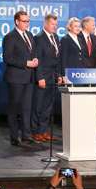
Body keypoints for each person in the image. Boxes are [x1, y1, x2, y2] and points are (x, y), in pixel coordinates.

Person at [2, 11, 38, 147]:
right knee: (14, 108)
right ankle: (14, 137)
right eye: (24, 21)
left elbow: (32, 51)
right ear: (17, 21)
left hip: (29, 77)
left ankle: (26, 135)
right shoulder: (10, 37)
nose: (27, 24)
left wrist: (34, 59)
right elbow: (7, 57)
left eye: (28, 21)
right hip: (16, 77)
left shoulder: (29, 35)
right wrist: (26, 63)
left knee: (27, 108)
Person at [31, 14, 62, 142]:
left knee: (47, 107)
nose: (54, 27)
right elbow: (38, 59)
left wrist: (59, 75)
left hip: (53, 77)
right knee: (38, 106)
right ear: (45, 24)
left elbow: (57, 59)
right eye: (52, 24)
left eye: (56, 24)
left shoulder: (55, 37)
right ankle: (35, 131)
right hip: (42, 77)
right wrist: (40, 77)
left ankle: (43, 131)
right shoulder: (38, 38)